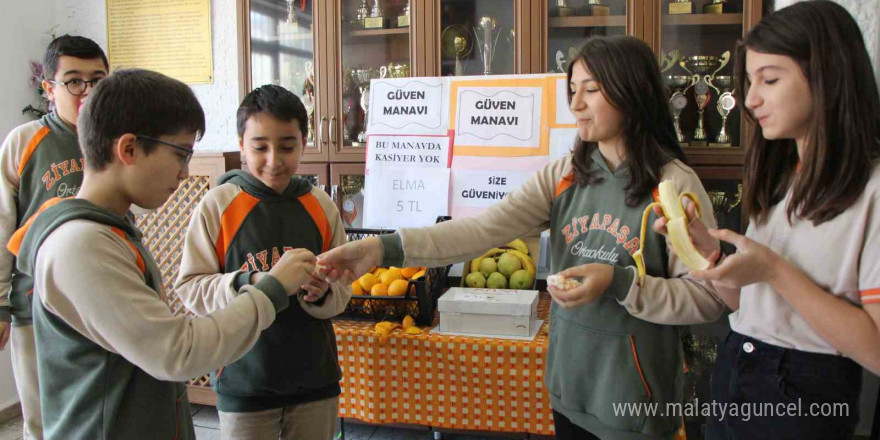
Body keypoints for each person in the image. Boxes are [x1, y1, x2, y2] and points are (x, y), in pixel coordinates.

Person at [319, 35, 727, 440]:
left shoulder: (672, 184)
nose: (576, 104)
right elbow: (480, 231)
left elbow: (710, 298)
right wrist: (381, 247)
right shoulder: (565, 175)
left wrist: (620, 283)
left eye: (591, 90)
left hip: (635, 405)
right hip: (569, 393)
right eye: (572, 91)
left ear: (632, 92)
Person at [7, 69, 318, 440]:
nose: (186, 172)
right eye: (180, 154)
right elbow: (178, 352)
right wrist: (271, 288)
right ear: (129, 149)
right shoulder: (80, 245)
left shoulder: (109, 231)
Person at [650, 2, 880, 438]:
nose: (751, 100)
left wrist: (774, 270)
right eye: (749, 81)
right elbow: (745, 306)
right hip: (736, 369)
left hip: (804, 396)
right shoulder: (780, 179)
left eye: (769, 79)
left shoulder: (872, 191)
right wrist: (706, 254)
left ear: (827, 77)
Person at [175, 84, 351, 440]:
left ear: (304, 142)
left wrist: (321, 294)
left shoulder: (320, 205)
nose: (274, 160)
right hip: (243, 382)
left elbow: (343, 287)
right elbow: (190, 287)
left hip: (314, 380)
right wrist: (250, 284)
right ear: (242, 145)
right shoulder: (217, 205)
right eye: (260, 147)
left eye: (287, 146)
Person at [0, 34, 108, 440]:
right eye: (74, 81)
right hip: (35, 304)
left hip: (100, 301)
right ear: (49, 88)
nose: (87, 92)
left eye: (97, 80)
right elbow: (2, 226)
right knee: (43, 420)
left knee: (96, 412)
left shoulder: (115, 142)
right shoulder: (23, 143)